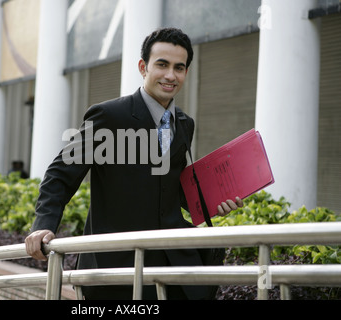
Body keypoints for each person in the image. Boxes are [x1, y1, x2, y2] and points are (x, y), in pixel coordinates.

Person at [25, 27, 243, 299]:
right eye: (162, 65)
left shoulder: (185, 124)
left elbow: (169, 187)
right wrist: (44, 224)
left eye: (179, 67)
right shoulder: (109, 116)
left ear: (186, 72)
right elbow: (60, 174)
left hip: (174, 263)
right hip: (117, 266)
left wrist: (213, 201)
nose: (170, 75)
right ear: (143, 67)